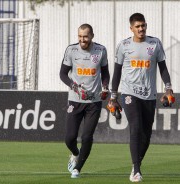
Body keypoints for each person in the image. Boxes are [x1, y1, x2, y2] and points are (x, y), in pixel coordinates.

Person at [108, 13, 175, 182]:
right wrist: (113, 96)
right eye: (137, 26)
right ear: (131, 28)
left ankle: (135, 163)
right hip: (130, 93)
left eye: (143, 25)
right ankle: (136, 170)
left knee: (146, 135)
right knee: (136, 128)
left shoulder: (155, 43)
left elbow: (163, 69)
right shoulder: (123, 46)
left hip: (149, 95)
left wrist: (168, 89)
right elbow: (116, 73)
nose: (141, 29)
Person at [59, 23, 110, 178]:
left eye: (85, 36)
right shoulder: (71, 50)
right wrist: (75, 87)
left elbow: (105, 74)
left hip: (94, 102)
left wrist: (105, 87)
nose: (82, 39)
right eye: (80, 36)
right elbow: (62, 74)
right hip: (75, 100)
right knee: (69, 138)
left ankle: (77, 168)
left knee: (87, 137)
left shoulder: (100, 50)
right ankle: (75, 153)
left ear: (92, 36)